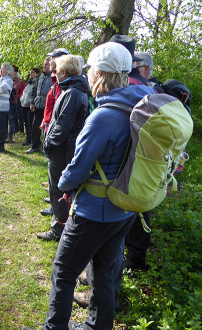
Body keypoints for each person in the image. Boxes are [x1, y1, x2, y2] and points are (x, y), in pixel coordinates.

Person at [23, 42, 154, 330]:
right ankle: (97, 326)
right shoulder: (142, 104)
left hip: (94, 212)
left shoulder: (104, 116)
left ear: (100, 74)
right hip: (125, 210)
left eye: (91, 69)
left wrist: (62, 183)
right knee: (105, 274)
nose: (89, 74)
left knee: (64, 271)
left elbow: (76, 171)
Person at [37, 55, 90, 242]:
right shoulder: (72, 90)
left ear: (64, 72)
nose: (54, 74)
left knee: (58, 190)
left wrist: (48, 143)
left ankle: (58, 230)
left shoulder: (73, 93)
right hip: (63, 149)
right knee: (60, 189)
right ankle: (61, 226)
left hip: (62, 151)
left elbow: (62, 126)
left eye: (55, 71)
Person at [40, 48, 71, 216]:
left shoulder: (64, 83)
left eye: (52, 58)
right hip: (50, 127)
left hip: (57, 135)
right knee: (52, 170)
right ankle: (54, 202)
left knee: (58, 171)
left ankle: (57, 209)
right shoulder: (55, 80)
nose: (49, 61)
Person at [26, 57, 53, 154]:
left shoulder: (54, 77)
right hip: (38, 105)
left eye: (47, 64)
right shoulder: (41, 76)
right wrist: (32, 102)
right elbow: (34, 90)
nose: (44, 66)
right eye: (44, 64)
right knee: (35, 126)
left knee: (47, 128)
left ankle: (46, 148)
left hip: (48, 107)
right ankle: (34, 146)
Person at [20, 68, 40, 146]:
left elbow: (34, 94)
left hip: (30, 105)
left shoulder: (37, 83)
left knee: (30, 123)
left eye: (33, 72)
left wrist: (32, 103)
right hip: (24, 104)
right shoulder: (29, 82)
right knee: (26, 123)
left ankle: (33, 139)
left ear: (37, 73)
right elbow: (25, 92)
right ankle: (28, 138)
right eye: (30, 72)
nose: (31, 73)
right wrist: (22, 99)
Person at [7, 65, 21, 142]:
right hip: (6, 101)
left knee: (11, 119)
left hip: (13, 102)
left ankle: (10, 136)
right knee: (6, 118)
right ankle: (5, 135)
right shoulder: (7, 79)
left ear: (15, 72)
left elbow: (14, 90)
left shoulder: (18, 80)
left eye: (12, 70)